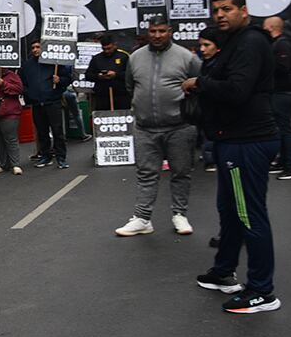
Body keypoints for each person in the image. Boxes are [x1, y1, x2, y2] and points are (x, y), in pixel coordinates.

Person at [183, 0, 282, 315]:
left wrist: (199, 84)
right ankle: (224, 271)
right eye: (216, 10)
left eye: (227, 9)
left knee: (248, 215)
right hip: (232, 140)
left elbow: (238, 91)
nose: (221, 15)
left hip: (246, 142)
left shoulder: (251, 42)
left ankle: (262, 291)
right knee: (230, 210)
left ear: (243, 10)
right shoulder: (235, 43)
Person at [114, 17, 201, 237]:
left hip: (180, 127)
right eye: (153, 31)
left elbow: (200, 84)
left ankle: (180, 214)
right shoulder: (135, 57)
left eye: (162, 31)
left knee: (181, 172)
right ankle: (143, 218)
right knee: (146, 174)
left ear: (170, 31)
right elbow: (130, 86)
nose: (157, 35)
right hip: (145, 127)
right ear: (148, 32)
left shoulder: (186, 57)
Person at [20, 41, 74, 169]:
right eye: (33, 47)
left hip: (52, 102)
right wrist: (30, 95)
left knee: (57, 131)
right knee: (42, 132)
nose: (35, 49)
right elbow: (23, 84)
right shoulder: (27, 66)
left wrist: (59, 80)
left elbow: (67, 79)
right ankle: (45, 156)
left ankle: (61, 158)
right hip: (37, 104)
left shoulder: (54, 63)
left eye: (38, 47)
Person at [264, 16, 291, 179]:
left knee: (285, 129)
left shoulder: (282, 44)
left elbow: (283, 68)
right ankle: (283, 161)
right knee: (280, 128)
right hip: (278, 91)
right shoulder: (276, 44)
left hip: (284, 92)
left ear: (271, 27)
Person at [196, 27, 223, 174]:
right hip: (207, 112)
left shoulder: (222, 65)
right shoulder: (205, 63)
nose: (202, 49)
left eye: (207, 45)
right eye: (201, 45)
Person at [0, 67, 24, 175]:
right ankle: (4, 163)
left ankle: (16, 164)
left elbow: (19, 89)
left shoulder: (12, 76)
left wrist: (4, 84)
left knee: (11, 139)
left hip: (10, 112)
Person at [86, 34, 131, 111]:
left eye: (109, 48)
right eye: (104, 49)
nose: (107, 51)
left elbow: (130, 75)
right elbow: (88, 75)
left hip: (121, 96)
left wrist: (116, 75)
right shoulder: (97, 58)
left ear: (114, 45)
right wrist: (99, 76)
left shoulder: (124, 56)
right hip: (102, 96)